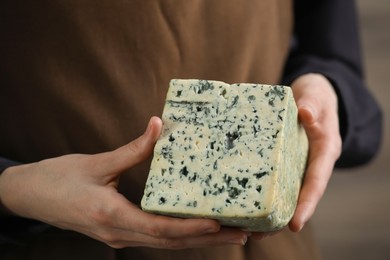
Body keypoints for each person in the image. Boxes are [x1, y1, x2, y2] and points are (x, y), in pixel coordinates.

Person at [0, 0, 382, 259]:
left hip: (261, 247)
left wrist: (327, 90)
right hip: (50, 243)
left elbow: (332, 52)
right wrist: (13, 188)